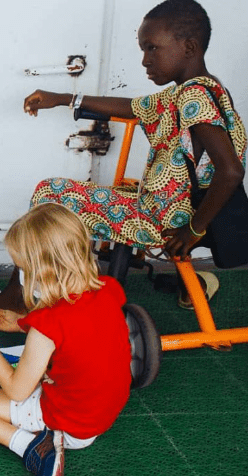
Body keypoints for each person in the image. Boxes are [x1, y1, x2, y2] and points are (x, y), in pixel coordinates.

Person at [23, 0, 246, 311]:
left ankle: (38, 299)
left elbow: (231, 171)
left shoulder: (195, 97)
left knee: (49, 194)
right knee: (88, 193)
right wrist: (62, 99)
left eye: (152, 48)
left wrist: (193, 230)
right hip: (160, 207)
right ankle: (68, 290)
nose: (144, 60)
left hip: (160, 218)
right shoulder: (186, 91)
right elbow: (131, 106)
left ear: (189, 47)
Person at [0, 203, 131, 476]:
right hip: (97, 417)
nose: (22, 275)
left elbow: (16, 390)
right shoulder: (109, 290)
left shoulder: (47, 326)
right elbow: (75, 331)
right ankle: (39, 437)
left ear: (43, 270)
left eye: (23, 267)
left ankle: (32, 447)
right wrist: (18, 322)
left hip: (67, 422)